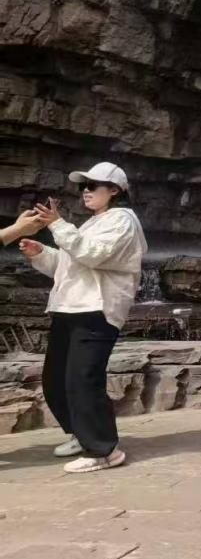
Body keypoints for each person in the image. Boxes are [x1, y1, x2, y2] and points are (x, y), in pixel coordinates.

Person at [19, 162, 146, 473]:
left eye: (92, 185)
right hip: (69, 307)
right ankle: (81, 434)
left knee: (83, 380)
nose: (85, 191)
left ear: (114, 190)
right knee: (56, 380)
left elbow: (93, 255)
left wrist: (58, 224)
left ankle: (104, 450)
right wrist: (41, 253)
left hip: (96, 310)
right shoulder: (93, 222)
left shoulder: (123, 220)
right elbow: (69, 265)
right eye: (82, 186)